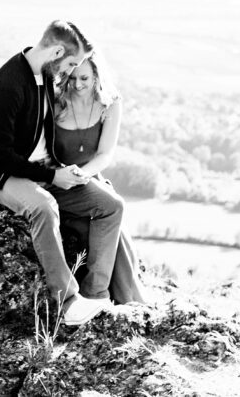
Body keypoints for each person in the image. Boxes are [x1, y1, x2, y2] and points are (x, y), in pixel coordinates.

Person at [0, 20, 123, 326]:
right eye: (71, 63)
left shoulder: (44, 74)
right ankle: (68, 304)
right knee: (44, 208)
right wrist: (51, 177)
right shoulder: (9, 84)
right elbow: (0, 155)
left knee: (111, 206)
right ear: (56, 51)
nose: (71, 72)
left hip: (46, 170)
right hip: (5, 175)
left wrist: (64, 171)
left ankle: (94, 295)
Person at [53, 48, 146, 305]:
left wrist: (84, 174)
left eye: (84, 78)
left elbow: (105, 153)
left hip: (89, 178)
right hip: (58, 179)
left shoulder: (111, 102)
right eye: (71, 78)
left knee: (117, 238)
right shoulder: (56, 100)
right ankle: (95, 295)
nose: (77, 84)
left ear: (96, 74)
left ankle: (115, 299)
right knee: (98, 229)